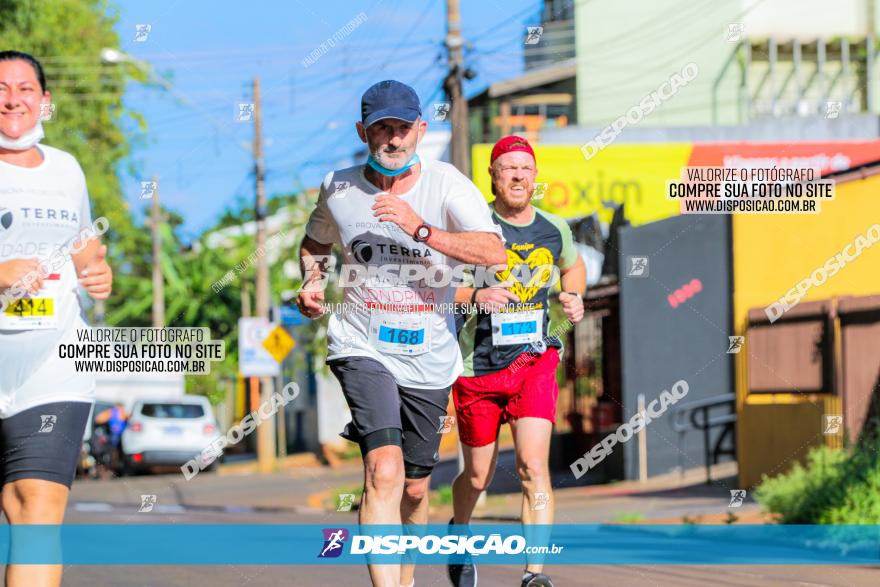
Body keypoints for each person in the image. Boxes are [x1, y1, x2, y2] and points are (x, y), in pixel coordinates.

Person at [296, 79, 506, 587]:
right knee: (383, 471)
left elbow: (494, 255)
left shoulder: (447, 183)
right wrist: (312, 280)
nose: (393, 139)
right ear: (362, 132)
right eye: (381, 128)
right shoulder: (339, 188)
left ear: (420, 129)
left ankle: (405, 577)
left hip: (429, 351)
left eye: (402, 128)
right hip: (360, 340)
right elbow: (314, 242)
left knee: (414, 489)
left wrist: (421, 229)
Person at [448, 136, 586, 587]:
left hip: (535, 361)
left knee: (532, 466)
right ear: (493, 175)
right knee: (478, 474)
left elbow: (573, 264)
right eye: (508, 168)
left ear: (535, 176)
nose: (518, 176)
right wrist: (475, 296)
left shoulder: (553, 228)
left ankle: (534, 573)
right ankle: (460, 529)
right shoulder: (472, 229)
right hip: (478, 368)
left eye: (525, 169)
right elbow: (438, 290)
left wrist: (574, 295)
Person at [0, 50, 113, 587]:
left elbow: (85, 246)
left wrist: (99, 271)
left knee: (37, 510)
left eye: (25, 88)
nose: (12, 98)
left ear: (45, 102)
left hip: (54, 360)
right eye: (1, 87)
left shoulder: (66, 168)